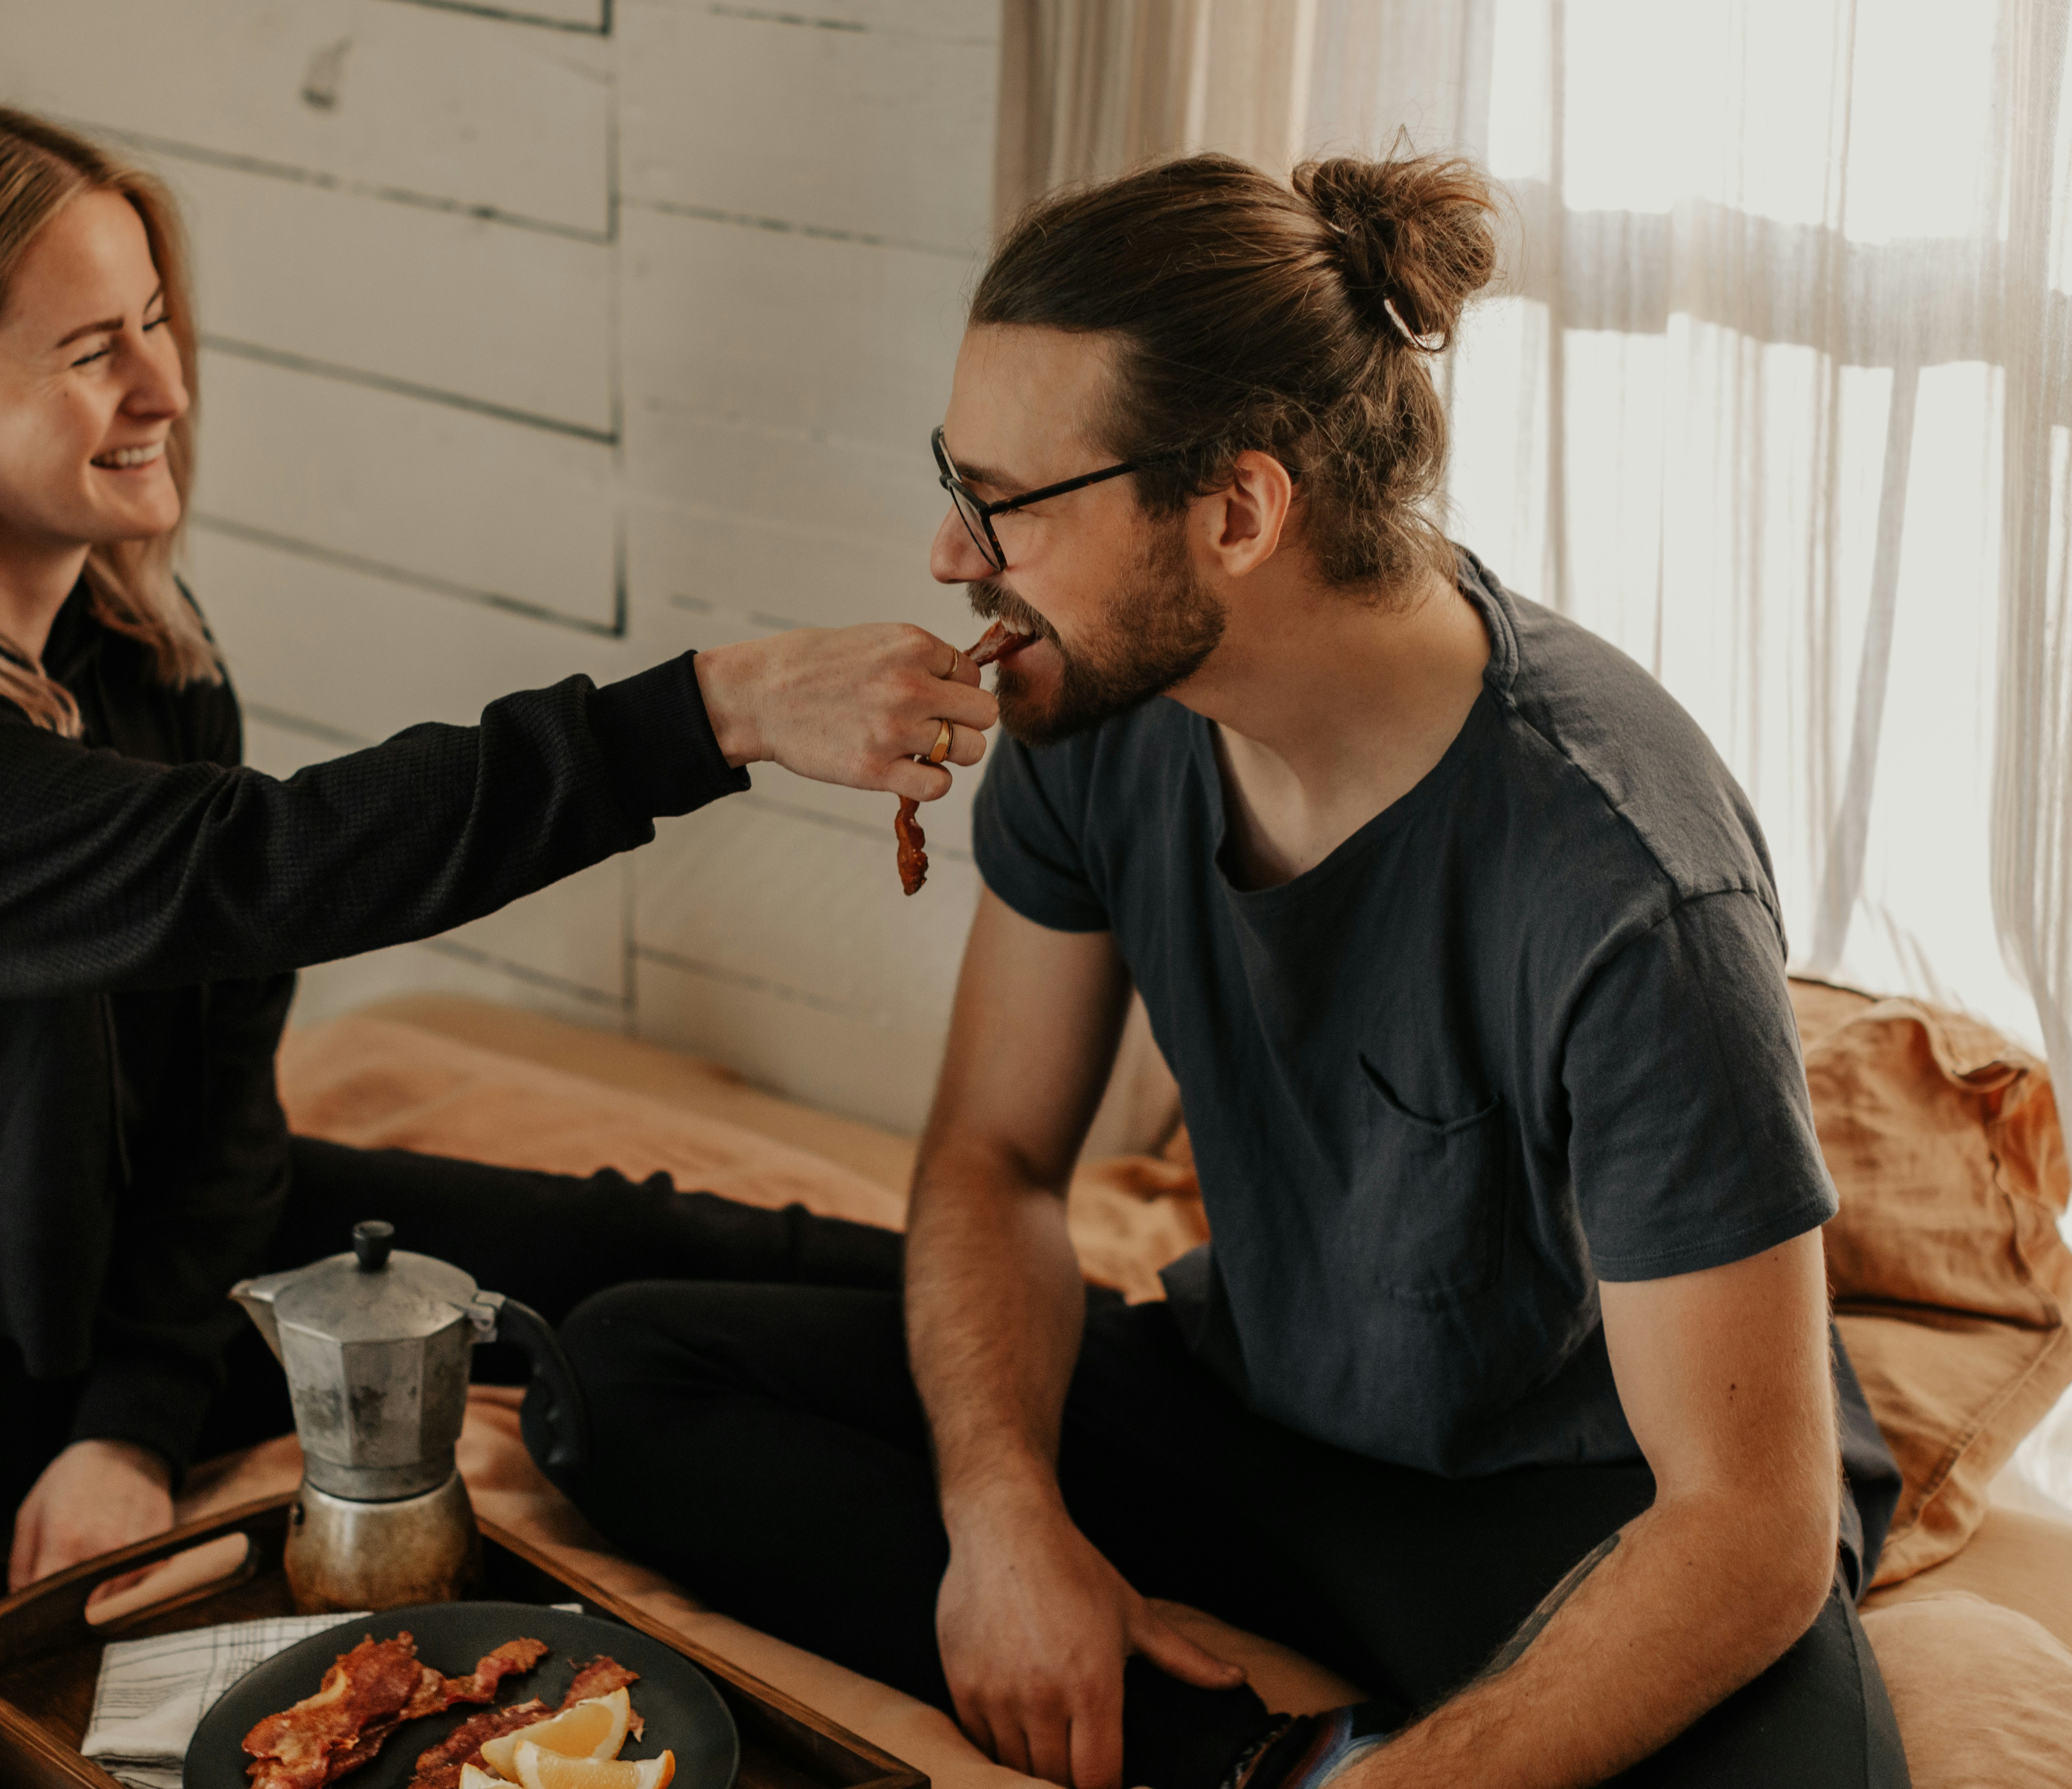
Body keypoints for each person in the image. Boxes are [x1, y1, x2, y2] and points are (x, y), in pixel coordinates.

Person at [0, 99, 999, 1774]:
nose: (162, 387)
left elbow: (222, 1098)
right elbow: (268, 869)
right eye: (92, 350)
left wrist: (125, 1426)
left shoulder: (140, 667)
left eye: (154, 319)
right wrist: (711, 711)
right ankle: (104, 1646)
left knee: (670, 1255)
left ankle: (1136, 1370)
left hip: (99, 1295)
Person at [539, 152, 1910, 1789]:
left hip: (1573, 1506)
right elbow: (995, 1159)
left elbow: (1750, 1531)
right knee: (628, 1374)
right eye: (949, 479)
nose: (946, 557)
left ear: (1238, 511)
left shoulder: (1624, 878)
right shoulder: (1099, 713)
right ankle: (1241, 1746)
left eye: (1002, 504)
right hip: (1251, 1409)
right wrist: (1007, 1525)